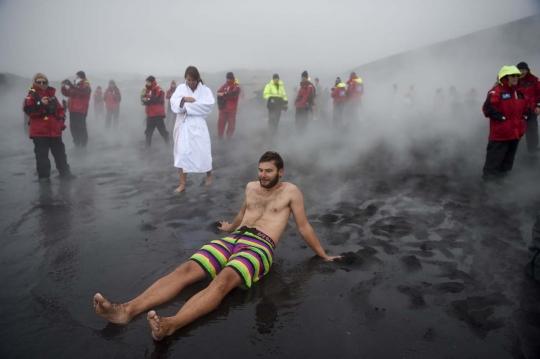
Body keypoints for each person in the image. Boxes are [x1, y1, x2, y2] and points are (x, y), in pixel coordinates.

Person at [93, 151, 342, 340]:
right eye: (260, 170)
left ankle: (171, 324)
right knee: (185, 271)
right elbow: (245, 212)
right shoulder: (251, 187)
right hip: (233, 239)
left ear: (281, 172)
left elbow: (303, 227)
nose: (263, 175)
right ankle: (125, 310)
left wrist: (323, 255)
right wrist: (230, 229)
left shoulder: (291, 192)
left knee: (223, 281)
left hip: (260, 247)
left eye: (268, 171)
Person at [169, 66, 215, 193]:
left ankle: (209, 174)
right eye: (189, 79)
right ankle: (183, 183)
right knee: (182, 153)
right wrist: (184, 99)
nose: (191, 82)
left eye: (193, 79)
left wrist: (188, 106)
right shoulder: (181, 89)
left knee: (203, 152)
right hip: (184, 125)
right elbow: (174, 104)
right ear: (186, 78)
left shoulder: (205, 90)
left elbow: (208, 107)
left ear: (198, 78)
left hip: (199, 124)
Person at [481, 66, 530, 182]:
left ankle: (501, 181)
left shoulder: (520, 93)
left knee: (508, 160)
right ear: (505, 77)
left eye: (517, 75)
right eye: (512, 75)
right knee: (494, 160)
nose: (515, 78)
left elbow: (527, 108)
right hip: (500, 133)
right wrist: (501, 118)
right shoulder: (497, 91)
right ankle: (488, 183)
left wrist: (524, 118)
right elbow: (487, 108)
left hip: (516, 133)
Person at [23, 73, 74, 183]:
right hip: (40, 133)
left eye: (44, 82)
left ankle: (66, 175)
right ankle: (44, 178)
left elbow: (60, 110)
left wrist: (60, 120)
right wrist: (40, 104)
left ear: (47, 83)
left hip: (55, 132)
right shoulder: (31, 96)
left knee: (60, 154)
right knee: (42, 157)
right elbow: (28, 110)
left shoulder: (52, 96)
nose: (42, 84)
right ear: (34, 83)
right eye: (39, 82)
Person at [61, 71, 91, 148]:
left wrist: (72, 86)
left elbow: (85, 91)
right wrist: (63, 87)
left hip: (81, 110)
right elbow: (67, 93)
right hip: (72, 109)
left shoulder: (86, 84)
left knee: (81, 127)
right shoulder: (74, 85)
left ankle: (83, 144)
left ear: (82, 77)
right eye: (76, 77)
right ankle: (76, 142)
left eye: (77, 77)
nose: (76, 78)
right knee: (73, 127)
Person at [517, 62, 540, 155]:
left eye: (523, 70)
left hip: (531, 111)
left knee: (532, 131)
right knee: (514, 131)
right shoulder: (513, 80)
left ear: (527, 70)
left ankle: (533, 151)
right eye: (520, 70)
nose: (522, 72)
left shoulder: (534, 80)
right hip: (517, 111)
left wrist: (539, 106)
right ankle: (515, 151)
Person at [141, 76, 169, 147]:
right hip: (150, 114)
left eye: (148, 82)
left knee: (162, 131)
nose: (147, 83)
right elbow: (145, 102)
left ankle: (168, 143)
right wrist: (143, 100)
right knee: (148, 132)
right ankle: (147, 147)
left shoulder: (158, 89)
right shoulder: (147, 91)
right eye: (146, 82)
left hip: (158, 114)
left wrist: (148, 100)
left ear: (152, 82)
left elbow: (157, 99)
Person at [217, 72, 241, 140]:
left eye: (230, 79)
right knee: (220, 125)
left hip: (231, 110)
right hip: (223, 109)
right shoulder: (224, 85)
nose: (228, 80)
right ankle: (220, 138)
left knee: (231, 126)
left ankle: (228, 139)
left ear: (233, 78)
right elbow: (218, 92)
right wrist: (220, 101)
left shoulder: (236, 87)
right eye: (227, 78)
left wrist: (224, 94)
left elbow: (233, 95)